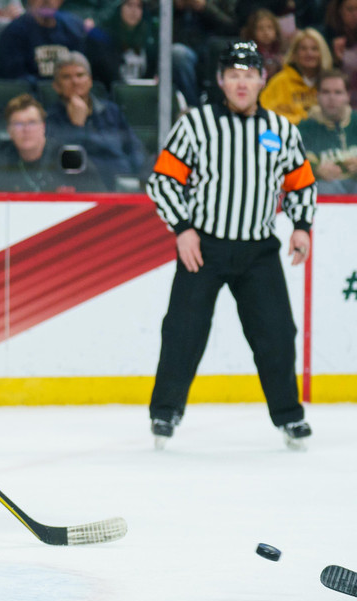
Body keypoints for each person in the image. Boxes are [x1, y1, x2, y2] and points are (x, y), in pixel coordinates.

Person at [145, 41, 315, 450]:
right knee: (183, 331)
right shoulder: (195, 124)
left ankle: (289, 416)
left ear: (262, 79)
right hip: (203, 246)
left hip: (259, 250)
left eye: (249, 74)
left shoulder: (281, 130)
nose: (242, 83)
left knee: (277, 333)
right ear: (222, 80)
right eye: (234, 75)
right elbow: (162, 181)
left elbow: (301, 183)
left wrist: (302, 225)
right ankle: (165, 411)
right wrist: (182, 228)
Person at [45, 52, 145, 189]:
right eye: (66, 77)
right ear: (56, 86)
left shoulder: (111, 111)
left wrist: (139, 180)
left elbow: (134, 148)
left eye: (80, 75)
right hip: (82, 189)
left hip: (123, 186)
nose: (75, 81)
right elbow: (61, 161)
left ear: (90, 81)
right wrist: (77, 126)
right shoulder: (50, 117)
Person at [0, 93, 106, 192]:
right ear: (9, 130)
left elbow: (100, 198)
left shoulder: (68, 158)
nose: (26, 130)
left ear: (43, 127)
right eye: (18, 124)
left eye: (32, 122)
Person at [296, 70, 357, 194]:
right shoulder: (304, 128)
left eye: (338, 92)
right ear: (317, 95)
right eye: (326, 92)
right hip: (324, 192)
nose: (332, 98)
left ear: (347, 96)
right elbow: (292, 165)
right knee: (324, 187)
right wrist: (316, 170)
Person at [0, 0, 85, 83]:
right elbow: (17, 78)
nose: (47, 1)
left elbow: (82, 72)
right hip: (32, 94)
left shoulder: (72, 30)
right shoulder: (13, 32)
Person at [259, 28, 333, 124]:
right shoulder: (280, 81)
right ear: (294, 53)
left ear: (322, 53)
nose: (309, 53)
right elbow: (264, 113)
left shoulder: (330, 82)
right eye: (303, 49)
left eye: (314, 49)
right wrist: (302, 121)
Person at [83, 0, 158, 90]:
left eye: (139, 6)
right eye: (129, 5)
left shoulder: (150, 39)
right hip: (110, 96)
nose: (134, 11)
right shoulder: (102, 39)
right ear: (119, 7)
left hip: (141, 96)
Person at [240, 8, 285, 78]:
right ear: (252, 32)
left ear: (276, 30)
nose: (266, 32)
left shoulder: (281, 52)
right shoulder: (248, 53)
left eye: (270, 27)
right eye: (260, 28)